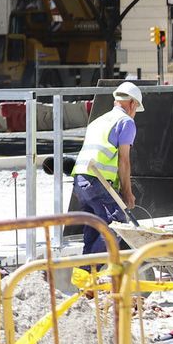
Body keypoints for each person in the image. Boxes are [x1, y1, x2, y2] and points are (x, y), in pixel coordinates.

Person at [71, 81, 141, 257]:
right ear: (132, 104)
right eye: (136, 110)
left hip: (81, 180)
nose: (135, 114)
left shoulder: (98, 121)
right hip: (97, 181)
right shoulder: (126, 122)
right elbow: (123, 160)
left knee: (94, 229)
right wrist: (127, 192)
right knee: (117, 225)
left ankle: (84, 277)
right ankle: (90, 269)